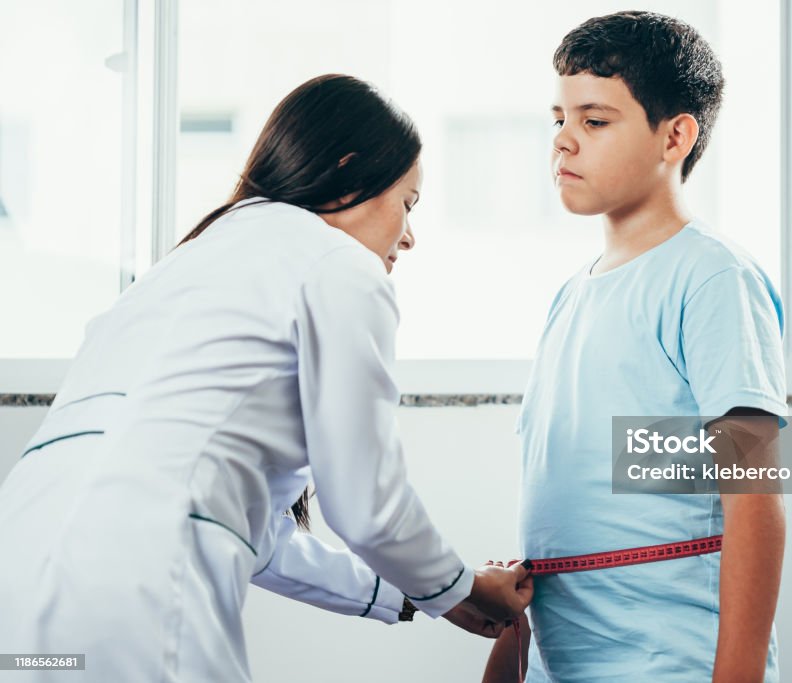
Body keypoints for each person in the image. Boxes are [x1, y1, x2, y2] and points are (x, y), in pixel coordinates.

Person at [0, 74, 531, 682]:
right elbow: (366, 505)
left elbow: (258, 538)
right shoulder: (338, 266)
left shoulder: (184, 266)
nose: (408, 236)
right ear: (350, 170)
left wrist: (426, 597)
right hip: (136, 585)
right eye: (407, 203)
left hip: (15, 576)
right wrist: (459, 585)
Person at [483, 12, 786, 683]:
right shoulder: (571, 298)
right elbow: (561, 522)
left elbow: (754, 495)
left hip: (668, 661)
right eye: (557, 119)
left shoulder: (711, 278)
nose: (563, 141)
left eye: (594, 121)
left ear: (675, 135)